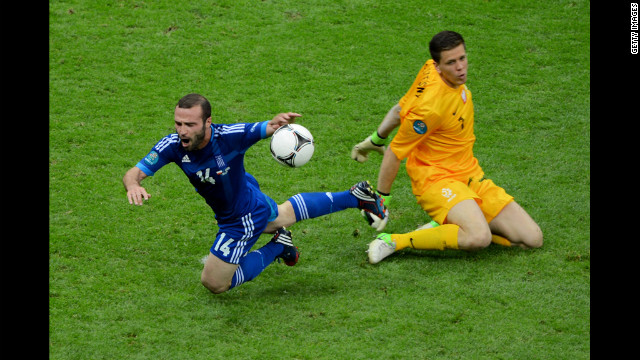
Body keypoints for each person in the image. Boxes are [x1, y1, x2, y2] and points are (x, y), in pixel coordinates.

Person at [123, 93, 388, 293]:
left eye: (190, 124)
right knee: (282, 216)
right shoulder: (172, 145)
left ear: (208, 122)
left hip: (240, 217)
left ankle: (277, 247)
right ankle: (356, 196)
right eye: (178, 123)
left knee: (214, 282)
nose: (182, 131)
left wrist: (277, 124)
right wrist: (134, 184)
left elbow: (264, 128)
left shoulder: (230, 137)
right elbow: (133, 173)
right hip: (245, 194)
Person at [351, 31, 543, 264]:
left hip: (469, 174)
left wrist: (376, 138)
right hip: (436, 179)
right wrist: (381, 201)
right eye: (451, 63)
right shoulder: (430, 109)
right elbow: (396, 152)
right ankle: (394, 241)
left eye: (462, 58)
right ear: (439, 66)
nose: (460, 67)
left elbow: (402, 107)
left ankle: (452, 222)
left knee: (531, 239)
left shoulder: (429, 70)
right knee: (478, 237)